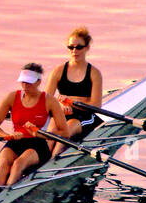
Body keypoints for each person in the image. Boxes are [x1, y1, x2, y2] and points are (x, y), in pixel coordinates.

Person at [0, 63, 71, 186]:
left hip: (38, 143)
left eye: (29, 82)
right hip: (15, 141)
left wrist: (40, 134)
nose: (25, 86)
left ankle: (6, 196)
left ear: (38, 82)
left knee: (18, 164)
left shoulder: (50, 101)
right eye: (23, 82)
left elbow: (65, 133)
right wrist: (7, 135)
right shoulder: (11, 97)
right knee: (4, 163)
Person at [44, 26, 103, 156]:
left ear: (87, 48)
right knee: (50, 134)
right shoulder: (58, 71)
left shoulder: (94, 74)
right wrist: (59, 105)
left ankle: (54, 160)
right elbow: (46, 101)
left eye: (79, 47)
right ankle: (40, 162)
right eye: (71, 47)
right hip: (61, 113)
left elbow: (96, 106)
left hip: (84, 116)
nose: (74, 51)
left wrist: (72, 102)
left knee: (66, 131)